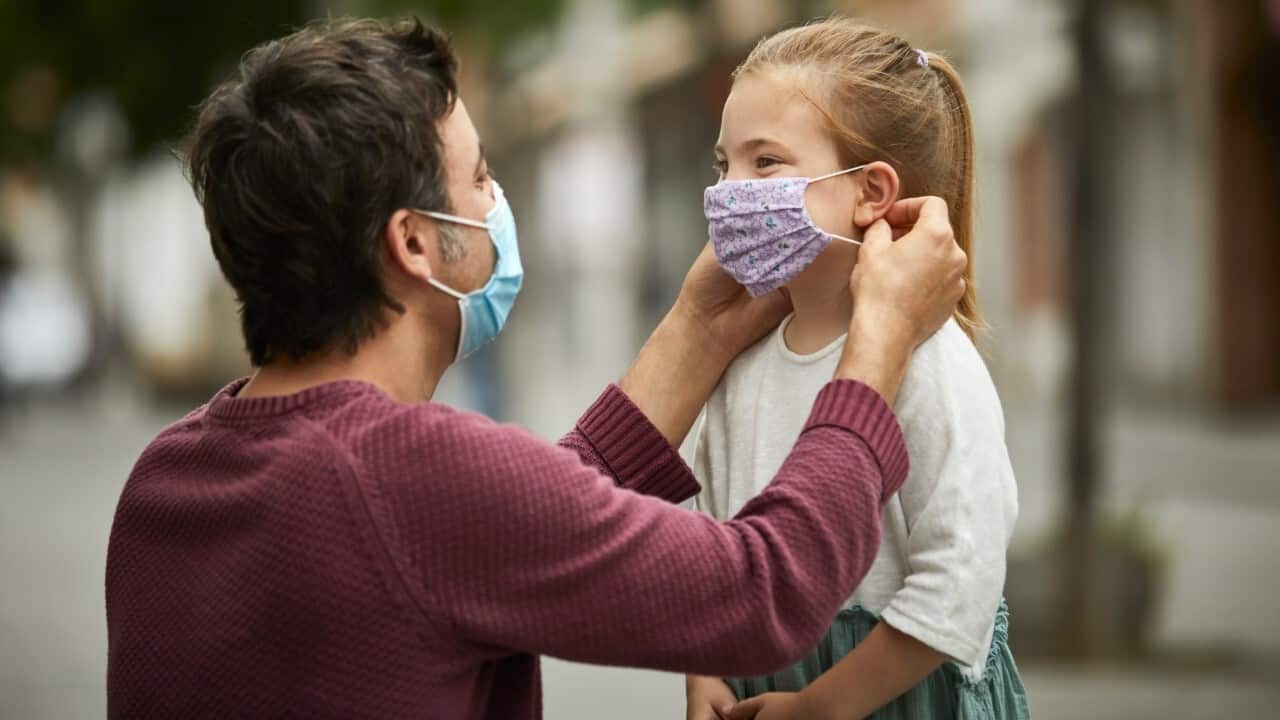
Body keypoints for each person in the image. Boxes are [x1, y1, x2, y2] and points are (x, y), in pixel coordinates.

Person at [104, 17, 967, 720]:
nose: (496, 203)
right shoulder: (414, 477)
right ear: (414, 243)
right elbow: (764, 592)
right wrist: (879, 343)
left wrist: (699, 329)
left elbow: (513, 521)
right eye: (480, 179)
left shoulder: (167, 479)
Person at [684, 18, 1030, 720]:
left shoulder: (933, 361)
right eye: (723, 165)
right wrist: (703, 671)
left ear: (871, 192)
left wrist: (819, 707)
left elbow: (958, 585)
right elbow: (710, 549)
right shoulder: (740, 362)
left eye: (765, 163)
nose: (730, 192)